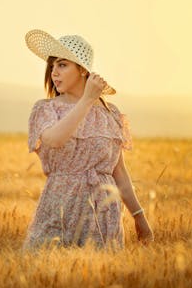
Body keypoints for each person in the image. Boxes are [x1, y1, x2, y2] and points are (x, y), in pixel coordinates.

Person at [22, 29, 154, 250]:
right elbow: (55, 139)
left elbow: (118, 171)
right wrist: (87, 100)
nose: (54, 72)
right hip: (59, 208)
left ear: (82, 70)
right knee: (46, 274)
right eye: (52, 66)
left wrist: (139, 217)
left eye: (62, 65)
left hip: (103, 215)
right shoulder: (46, 109)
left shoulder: (109, 113)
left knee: (98, 279)